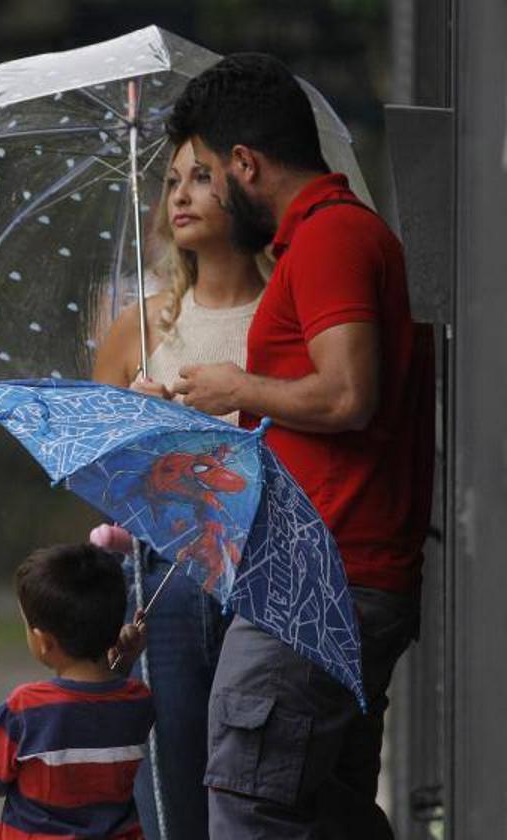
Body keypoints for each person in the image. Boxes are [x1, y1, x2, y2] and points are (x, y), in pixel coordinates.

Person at [164, 53, 426, 839]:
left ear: (246, 163)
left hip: (317, 585)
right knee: (323, 818)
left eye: (207, 171)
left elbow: (347, 395)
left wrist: (236, 388)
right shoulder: (330, 240)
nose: (200, 191)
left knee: (247, 806)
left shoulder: (331, 240)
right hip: (334, 577)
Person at [89, 136, 269, 840]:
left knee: (251, 786)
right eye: (171, 182)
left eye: (202, 177)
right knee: (168, 792)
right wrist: (136, 431)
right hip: (163, 583)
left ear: (243, 189)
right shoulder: (138, 327)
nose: (182, 194)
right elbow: (103, 485)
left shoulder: (282, 314)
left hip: (260, 571)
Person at [0, 543, 155, 840]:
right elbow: (104, 707)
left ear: (44, 641)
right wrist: (126, 662)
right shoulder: (139, 700)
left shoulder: (25, 708)